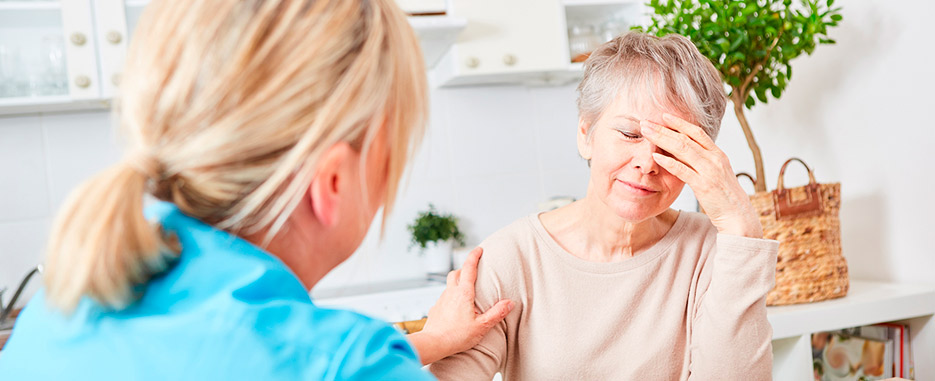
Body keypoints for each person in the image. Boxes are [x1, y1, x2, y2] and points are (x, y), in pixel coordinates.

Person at [0, 0, 512, 379]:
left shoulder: (58, 311)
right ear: (332, 183)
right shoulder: (347, 365)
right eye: (390, 157)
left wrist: (431, 342)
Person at [429, 32, 780, 380]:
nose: (648, 162)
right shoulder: (510, 259)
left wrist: (741, 226)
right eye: (630, 134)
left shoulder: (716, 252)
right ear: (586, 134)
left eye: (673, 146)